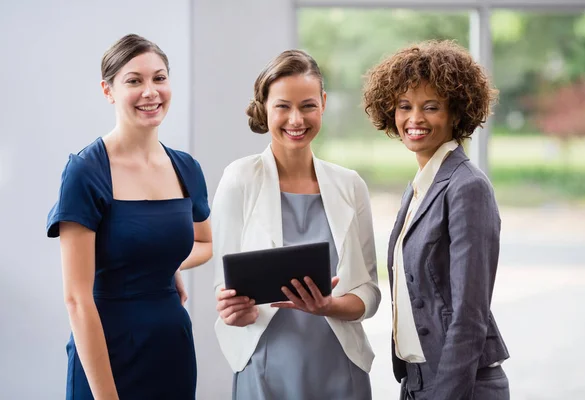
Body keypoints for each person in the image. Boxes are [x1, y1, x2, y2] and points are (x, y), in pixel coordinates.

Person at [46, 34, 212, 400]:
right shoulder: (86, 172)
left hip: (171, 349)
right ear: (108, 91)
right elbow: (76, 299)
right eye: (134, 80)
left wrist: (167, 265)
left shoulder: (186, 168)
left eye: (160, 78)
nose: (151, 91)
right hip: (106, 353)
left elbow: (204, 242)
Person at [211, 49, 380, 400]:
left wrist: (328, 306)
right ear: (265, 107)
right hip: (265, 365)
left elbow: (369, 292)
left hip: (339, 365)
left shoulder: (350, 185)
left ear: (323, 103)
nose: (296, 119)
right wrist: (233, 312)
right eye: (283, 106)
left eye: (307, 105)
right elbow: (222, 286)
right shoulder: (239, 179)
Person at [363, 40, 510, 400]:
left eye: (431, 107)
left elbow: (470, 313)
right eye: (404, 106)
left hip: (460, 385)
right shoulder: (418, 188)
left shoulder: (467, 187)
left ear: (456, 113)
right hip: (416, 382)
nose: (414, 119)